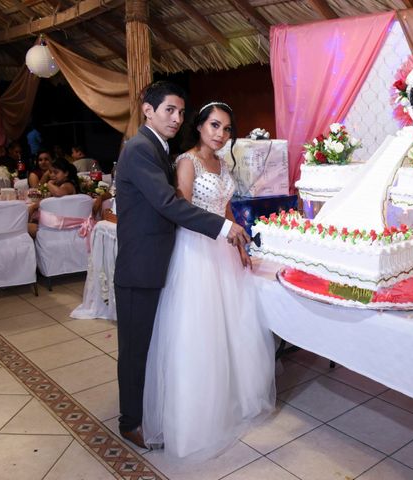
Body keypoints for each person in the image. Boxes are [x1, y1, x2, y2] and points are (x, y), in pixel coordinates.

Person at [113, 81, 250, 450]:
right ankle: (130, 423)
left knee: (157, 346)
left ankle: (152, 411)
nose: (175, 118)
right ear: (148, 110)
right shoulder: (141, 149)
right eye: (168, 110)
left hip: (161, 260)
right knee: (135, 349)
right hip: (139, 266)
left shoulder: (160, 149)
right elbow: (169, 204)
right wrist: (225, 227)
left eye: (179, 112)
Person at [142, 102, 276, 459]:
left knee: (233, 327)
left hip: (222, 252)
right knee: (199, 332)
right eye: (214, 126)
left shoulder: (224, 163)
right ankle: (195, 419)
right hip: (196, 252)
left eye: (227, 129)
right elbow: (183, 211)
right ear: (200, 126)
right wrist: (221, 232)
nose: (220, 134)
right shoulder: (187, 162)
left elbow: (227, 208)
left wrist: (240, 244)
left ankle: (231, 400)